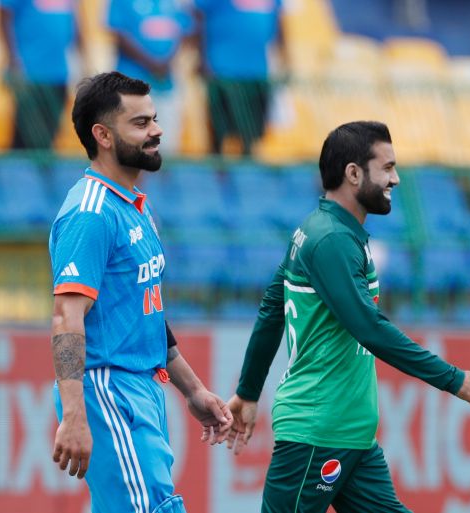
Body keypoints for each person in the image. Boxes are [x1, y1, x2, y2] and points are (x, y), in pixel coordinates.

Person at [225, 121, 470, 513]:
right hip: (317, 432)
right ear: (353, 173)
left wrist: (249, 392)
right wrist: (452, 379)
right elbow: (368, 327)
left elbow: (271, 309)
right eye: (386, 168)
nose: (396, 179)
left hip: (352, 436)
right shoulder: (331, 239)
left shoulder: (328, 231)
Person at [48, 71, 233, 513]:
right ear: (103, 136)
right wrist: (74, 413)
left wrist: (192, 389)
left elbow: (145, 312)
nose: (157, 130)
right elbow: (66, 318)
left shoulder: (134, 206)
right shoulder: (90, 213)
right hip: (107, 389)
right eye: (141, 123)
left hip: (142, 389)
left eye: (154, 119)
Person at [191, 0, 286, 155]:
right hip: (222, 71)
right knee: (220, 135)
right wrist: (202, 58)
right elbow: (198, 16)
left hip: (258, 72)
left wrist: (284, 59)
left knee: (252, 135)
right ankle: (218, 174)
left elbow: (279, 23)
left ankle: (247, 176)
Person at [107, 0, 194, 155]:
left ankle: (162, 178)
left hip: (166, 84)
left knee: (166, 147)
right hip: (131, 84)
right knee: (132, 147)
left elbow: (185, 31)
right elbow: (118, 34)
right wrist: (151, 63)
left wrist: (167, 61)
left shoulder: (176, 3)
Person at [0, 0, 79, 150]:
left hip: (59, 72)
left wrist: (79, 60)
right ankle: (13, 172)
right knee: (25, 133)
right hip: (29, 72)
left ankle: (39, 169)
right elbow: (3, 16)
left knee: (50, 133)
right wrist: (12, 60)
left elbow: (75, 23)